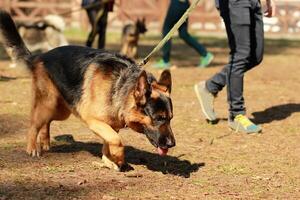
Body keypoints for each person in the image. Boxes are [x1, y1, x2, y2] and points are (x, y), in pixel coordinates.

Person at [194, 0, 276, 133]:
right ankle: (236, 114)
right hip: (235, 3)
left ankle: (210, 86)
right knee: (240, 54)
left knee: (255, 56)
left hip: (254, 2)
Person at [153, 0, 214, 69]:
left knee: (166, 29)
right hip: (185, 4)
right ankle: (205, 54)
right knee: (183, 34)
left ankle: (165, 61)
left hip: (177, 3)